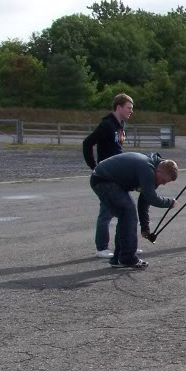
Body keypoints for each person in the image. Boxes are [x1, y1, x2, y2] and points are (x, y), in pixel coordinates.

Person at [89, 152, 178, 270]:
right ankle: (127, 258)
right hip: (103, 180)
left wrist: (145, 228)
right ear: (159, 171)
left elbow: (144, 200)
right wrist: (169, 202)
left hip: (108, 180)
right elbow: (152, 198)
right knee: (128, 213)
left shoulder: (154, 169)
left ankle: (118, 259)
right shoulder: (147, 168)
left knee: (126, 216)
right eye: (163, 180)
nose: (163, 183)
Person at [82, 93, 135, 258]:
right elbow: (87, 143)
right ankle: (102, 247)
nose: (131, 111)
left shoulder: (121, 125)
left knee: (124, 210)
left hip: (118, 175)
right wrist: (94, 167)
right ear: (118, 107)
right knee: (107, 211)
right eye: (128, 108)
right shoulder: (107, 125)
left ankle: (127, 245)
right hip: (106, 175)